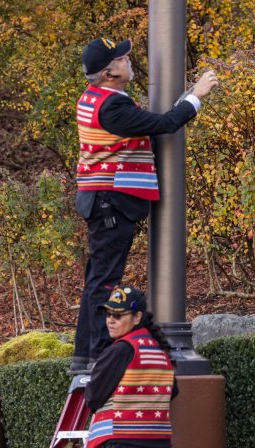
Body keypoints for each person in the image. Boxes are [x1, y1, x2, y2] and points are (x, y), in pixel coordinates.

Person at [72, 36, 218, 371]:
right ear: (110, 71)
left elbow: (150, 124)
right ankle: (97, 357)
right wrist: (196, 97)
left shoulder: (98, 98)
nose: (129, 61)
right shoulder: (112, 106)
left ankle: (86, 355)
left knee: (98, 278)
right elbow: (165, 124)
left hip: (103, 199)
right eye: (123, 58)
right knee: (105, 281)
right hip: (112, 200)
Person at [85, 285, 176, 448]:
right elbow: (172, 391)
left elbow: (93, 397)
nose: (110, 320)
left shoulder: (120, 350)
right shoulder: (160, 350)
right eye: (108, 314)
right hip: (160, 440)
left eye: (118, 315)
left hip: (121, 439)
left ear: (137, 317)